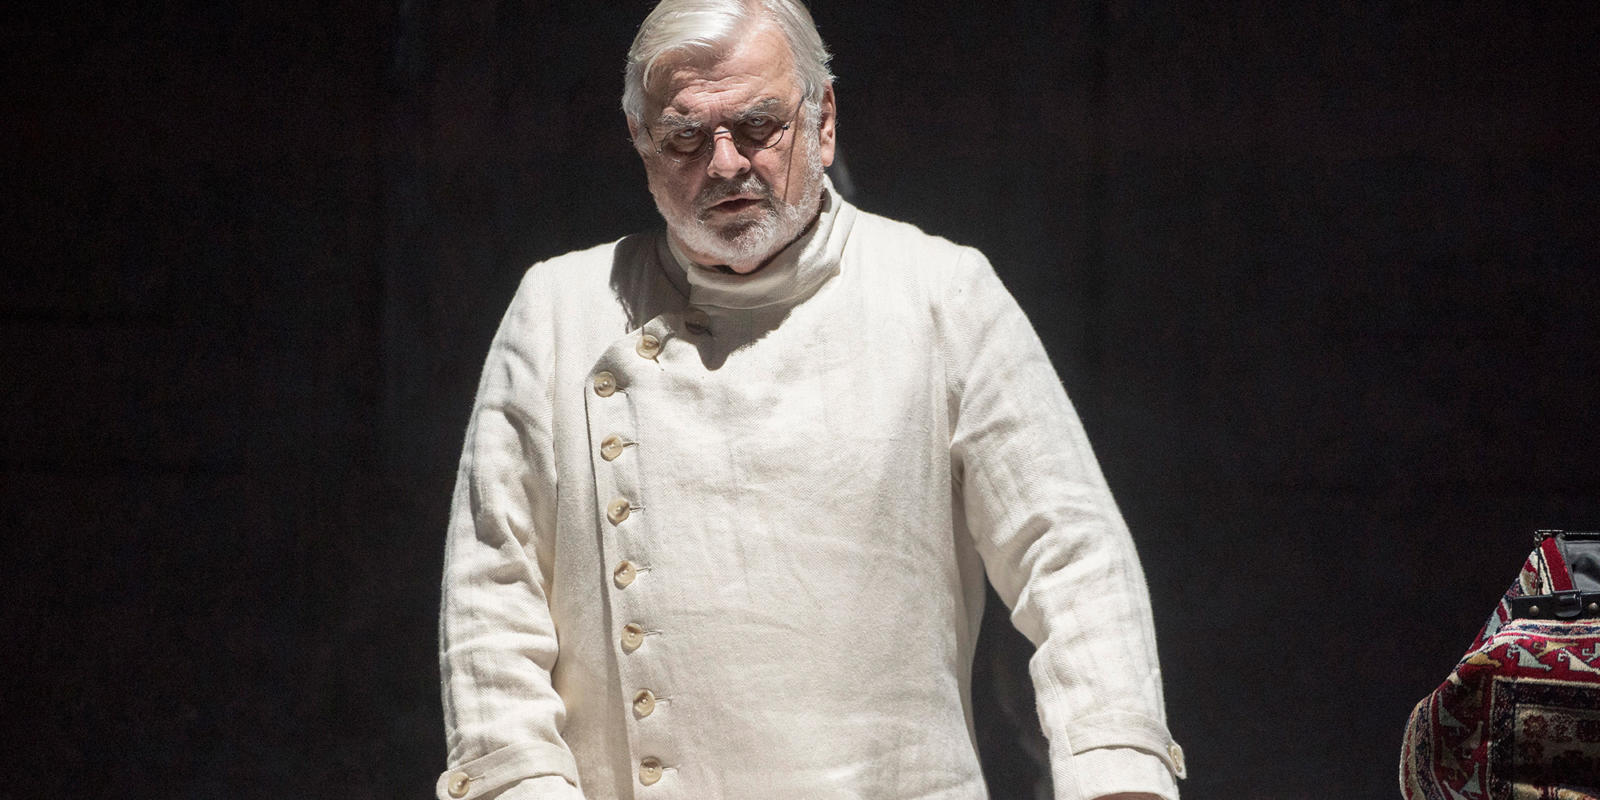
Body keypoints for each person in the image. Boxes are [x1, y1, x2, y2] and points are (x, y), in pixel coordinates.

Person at [435, 1, 1185, 798]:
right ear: (642, 145)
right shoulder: (560, 312)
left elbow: (1070, 557)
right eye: (686, 137)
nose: (725, 163)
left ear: (823, 122)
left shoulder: (940, 293)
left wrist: (1116, 775)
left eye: (759, 126)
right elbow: (493, 597)